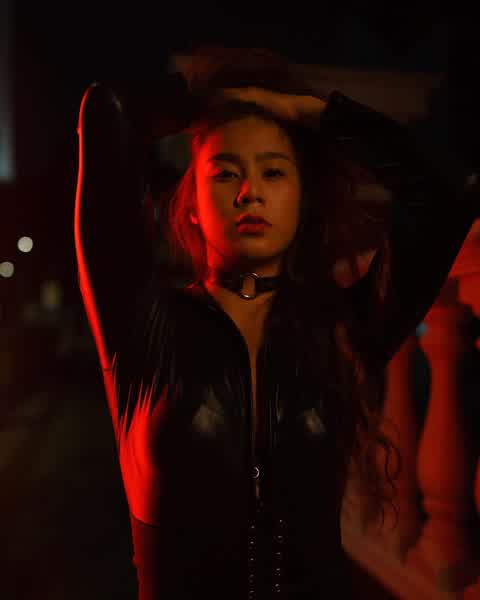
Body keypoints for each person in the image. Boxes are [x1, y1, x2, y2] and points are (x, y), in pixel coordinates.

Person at [74, 46, 478, 599]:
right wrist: (208, 103)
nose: (250, 192)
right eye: (225, 173)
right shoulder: (144, 325)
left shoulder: (343, 327)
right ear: (191, 205)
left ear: (301, 201)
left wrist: (311, 112)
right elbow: (107, 110)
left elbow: (449, 194)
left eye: (273, 171)